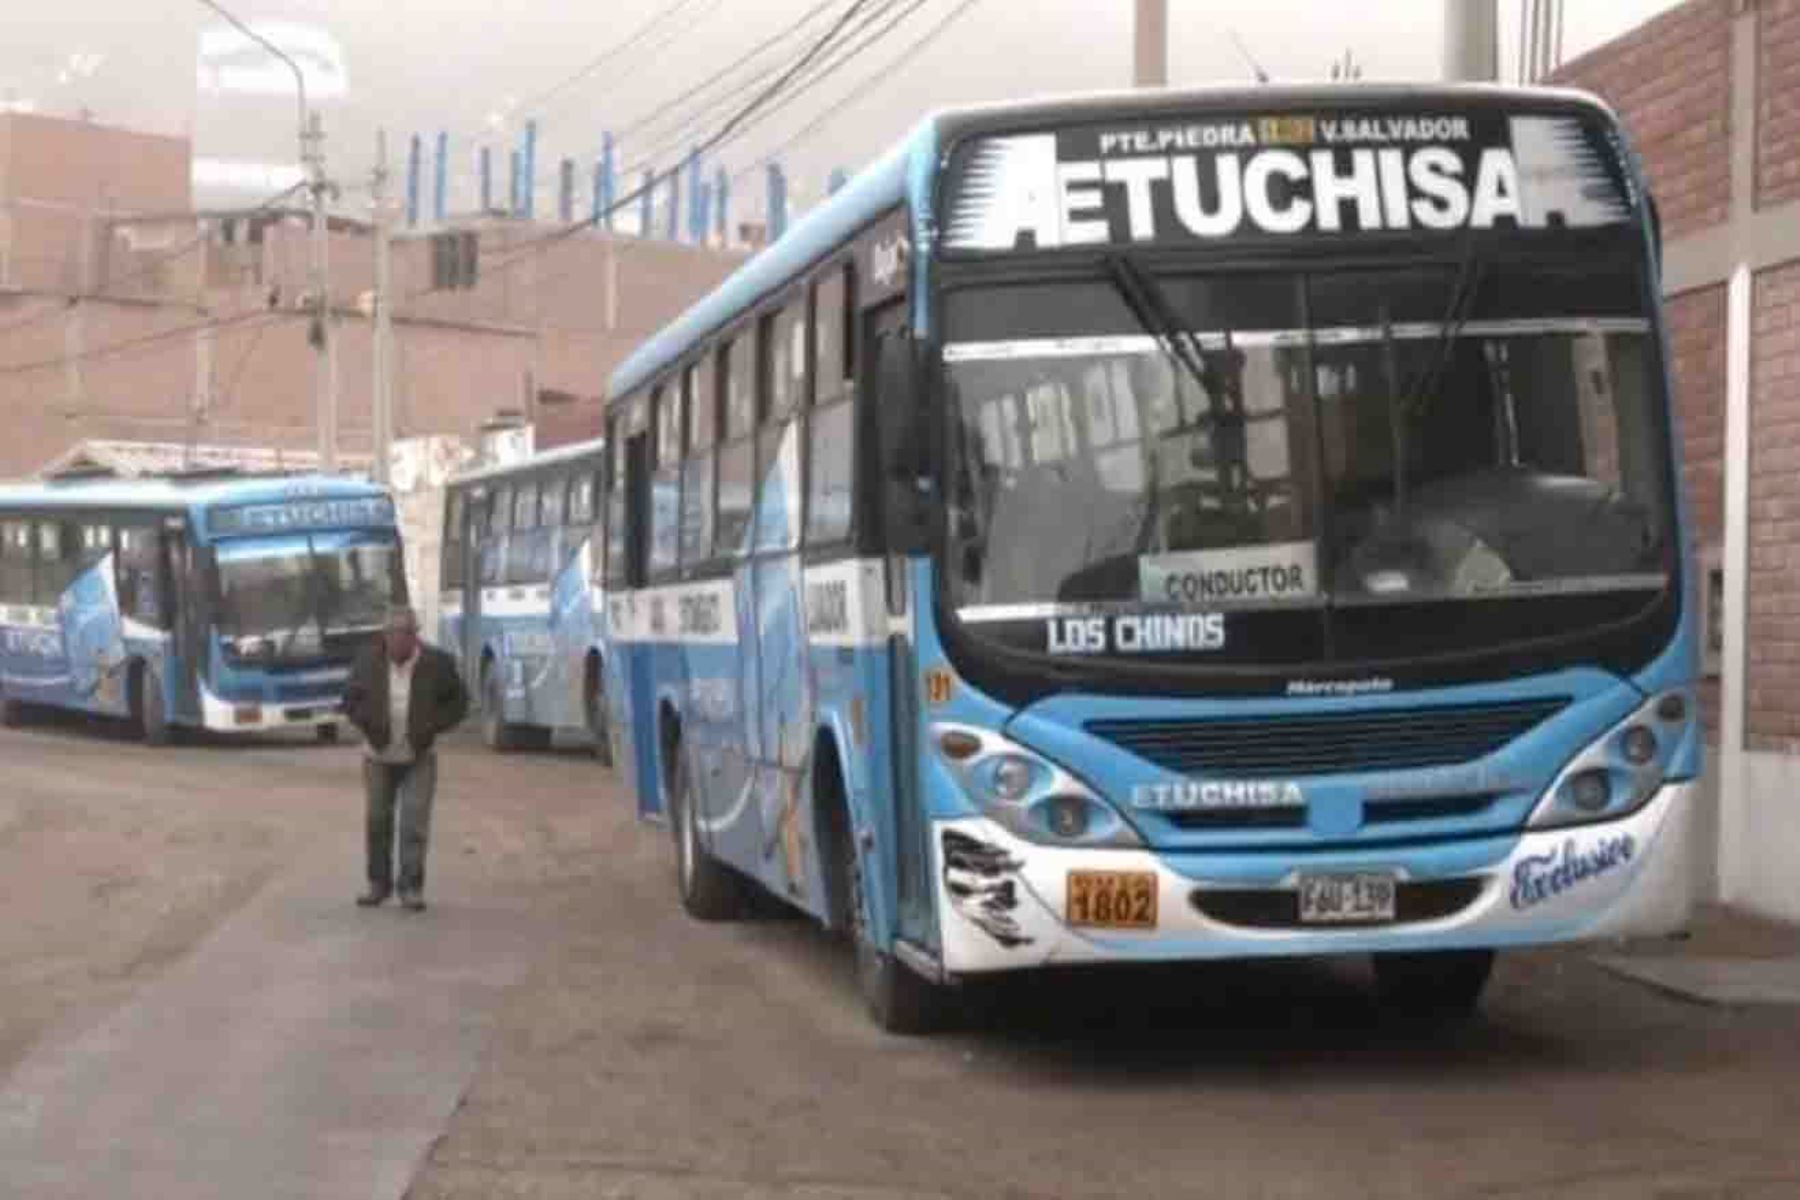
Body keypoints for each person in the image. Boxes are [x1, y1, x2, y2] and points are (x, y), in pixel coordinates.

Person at [342, 605, 468, 911]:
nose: (396, 642)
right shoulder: (367, 662)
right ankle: (378, 885)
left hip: (418, 756)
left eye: (403, 635)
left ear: (415, 637)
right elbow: (349, 700)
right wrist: (368, 725)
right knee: (377, 820)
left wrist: (432, 726)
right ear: (383, 637)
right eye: (391, 635)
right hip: (378, 756)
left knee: (414, 821)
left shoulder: (436, 664)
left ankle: (411, 887)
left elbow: (459, 703)